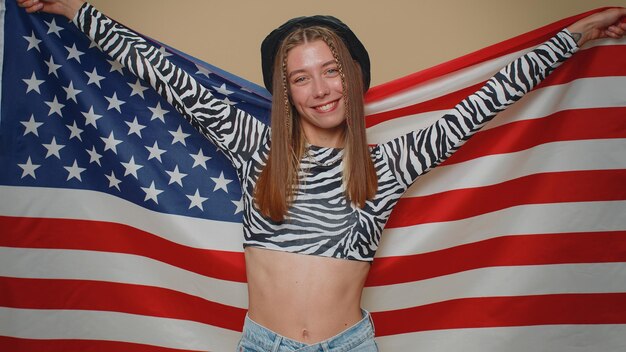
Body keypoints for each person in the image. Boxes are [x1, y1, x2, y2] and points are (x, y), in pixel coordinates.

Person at [17, 0, 626, 351]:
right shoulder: (251, 144)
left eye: (330, 71)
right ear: (284, 92)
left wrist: (574, 37)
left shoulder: (389, 165)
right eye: (301, 77)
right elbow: (161, 74)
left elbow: (485, 103)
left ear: (353, 78)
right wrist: (75, 9)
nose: (319, 89)